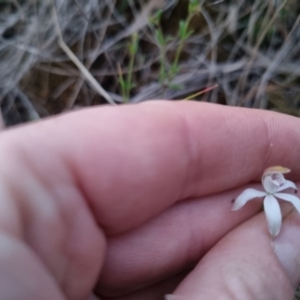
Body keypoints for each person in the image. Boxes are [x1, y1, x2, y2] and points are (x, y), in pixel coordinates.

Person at [0, 100, 298, 300]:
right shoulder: (258, 195)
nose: (276, 178)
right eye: (273, 176)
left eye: (278, 178)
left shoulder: (285, 196)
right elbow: (241, 202)